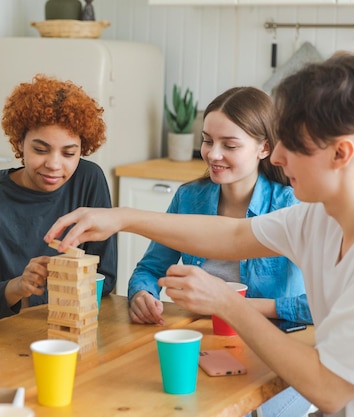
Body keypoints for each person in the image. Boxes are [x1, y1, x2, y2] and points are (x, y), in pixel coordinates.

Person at [45, 52, 354, 416]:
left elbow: (329, 389)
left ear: (342, 153)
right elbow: (232, 237)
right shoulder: (317, 219)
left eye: (291, 143)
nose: (276, 157)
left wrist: (227, 303)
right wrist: (121, 217)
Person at [128, 86, 312, 417]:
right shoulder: (189, 199)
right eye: (207, 140)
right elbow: (149, 270)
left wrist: (236, 305)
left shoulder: (289, 206)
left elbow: (319, 307)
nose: (213, 154)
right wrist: (142, 294)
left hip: (277, 357)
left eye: (229, 145)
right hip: (205, 349)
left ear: (263, 148)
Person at [0, 74, 117, 323]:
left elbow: (104, 277)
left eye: (69, 153)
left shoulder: (89, 179)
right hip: (0, 335)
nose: (53, 164)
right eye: (40, 150)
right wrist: (20, 286)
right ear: (20, 144)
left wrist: (43, 295)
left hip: (68, 326)